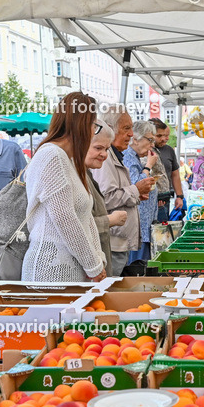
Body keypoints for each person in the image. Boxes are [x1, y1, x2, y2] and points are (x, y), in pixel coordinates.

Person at [22, 93, 106, 282]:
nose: (94, 132)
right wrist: (93, 266)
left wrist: (97, 260)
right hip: (50, 271)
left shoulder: (69, 160)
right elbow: (64, 218)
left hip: (70, 270)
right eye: (94, 125)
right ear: (82, 124)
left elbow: (85, 217)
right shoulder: (52, 156)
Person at [94, 105, 154, 275]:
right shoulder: (105, 159)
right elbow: (106, 198)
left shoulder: (114, 155)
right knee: (109, 285)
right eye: (126, 128)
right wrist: (135, 190)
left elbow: (113, 193)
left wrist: (136, 195)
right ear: (110, 129)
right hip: (112, 242)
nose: (131, 134)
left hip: (118, 241)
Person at [86, 122, 128, 276]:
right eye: (98, 148)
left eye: (107, 149)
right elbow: (74, 226)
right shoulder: (77, 176)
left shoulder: (86, 173)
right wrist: (110, 220)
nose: (104, 154)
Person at [124, 121, 160, 263]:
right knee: (138, 265)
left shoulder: (134, 157)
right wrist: (149, 165)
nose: (152, 145)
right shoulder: (128, 156)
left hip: (144, 225)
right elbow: (136, 186)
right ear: (135, 139)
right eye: (150, 140)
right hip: (138, 227)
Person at [151, 118, 184, 221]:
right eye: (159, 136)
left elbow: (175, 174)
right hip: (149, 199)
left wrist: (179, 196)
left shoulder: (169, 150)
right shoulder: (144, 150)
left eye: (165, 135)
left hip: (164, 199)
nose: (164, 139)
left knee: (163, 226)